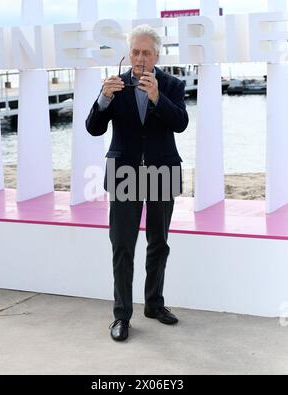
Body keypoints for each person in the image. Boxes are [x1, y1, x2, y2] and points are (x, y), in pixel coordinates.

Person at [86, 24, 189, 342]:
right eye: (135, 52)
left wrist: (158, 97)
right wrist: (103, 99)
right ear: (128, 54)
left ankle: (154, 305)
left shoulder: (172, 84)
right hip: (124, 175)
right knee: (122, 246)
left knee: (159, 244)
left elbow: (181, 123)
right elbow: (93, 128)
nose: (140, 58)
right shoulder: (114, 85)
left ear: (157, 55)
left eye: (146, 52)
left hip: (162, 173)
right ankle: (121, 316)